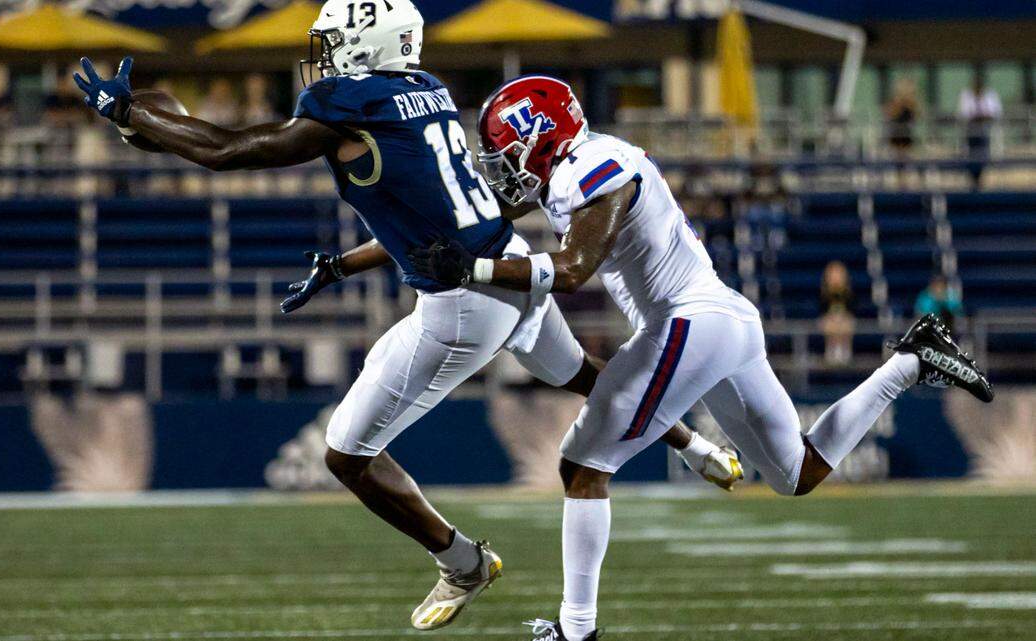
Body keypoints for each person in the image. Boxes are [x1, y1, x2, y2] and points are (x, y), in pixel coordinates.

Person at [71, 1, 738, 630]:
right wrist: (138, 121)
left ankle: (462, 562)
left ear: (364, 45)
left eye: (331, 45)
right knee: (583, 375)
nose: (323, 59)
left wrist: (128, 110)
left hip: (463, 303)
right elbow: (433, 212)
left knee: (346, 453)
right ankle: (698, 446)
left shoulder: (350, 103)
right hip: (504, 259)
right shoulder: (426, 88)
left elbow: (226, 150)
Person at [406, 75, 995, 641]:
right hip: (720, 323)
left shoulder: (591, 171)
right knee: (797, 475)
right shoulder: (582, 165)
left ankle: (574, 631)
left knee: (583, 468)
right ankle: (913, 361)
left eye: (506, 152)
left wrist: (474, 270)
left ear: (539, 139)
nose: (502, 166)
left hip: (689, 321)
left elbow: (572, 271)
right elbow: (486, 216)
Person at [958, 76, 1001, 189]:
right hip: (971, 131)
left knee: (983, 155)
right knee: (971, 155)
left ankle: (980, 180)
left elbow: (994, 113)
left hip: (984, 131)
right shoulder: (966, 95)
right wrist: (979, 116)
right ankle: (973, 180)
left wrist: (979, 116)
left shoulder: (990, 95)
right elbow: (965, 114)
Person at [819, 260, 856, 366]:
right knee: (831, 322)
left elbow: (852, 311)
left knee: (844, 321)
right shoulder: (823, 294)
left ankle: (844, 351)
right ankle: (832, 350)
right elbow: (822, 312)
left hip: (845, 323)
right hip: (829, 323)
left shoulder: (849, 294)